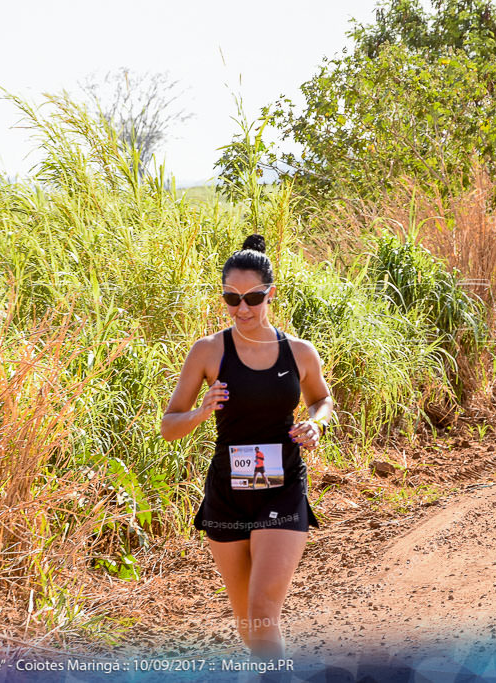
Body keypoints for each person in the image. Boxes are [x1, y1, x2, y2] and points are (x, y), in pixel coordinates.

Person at [160, 234, 334, 659]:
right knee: (248, 622)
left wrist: (315, 424)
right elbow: (169, 426)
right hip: (229, 494)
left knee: (262, 612)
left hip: (282, 487)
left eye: (253, 298)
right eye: (231, 298)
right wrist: (201, 413)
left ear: (270, 294)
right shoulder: (207, 351)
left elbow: (322, 399)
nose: (242, 309)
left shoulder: (299, 352)